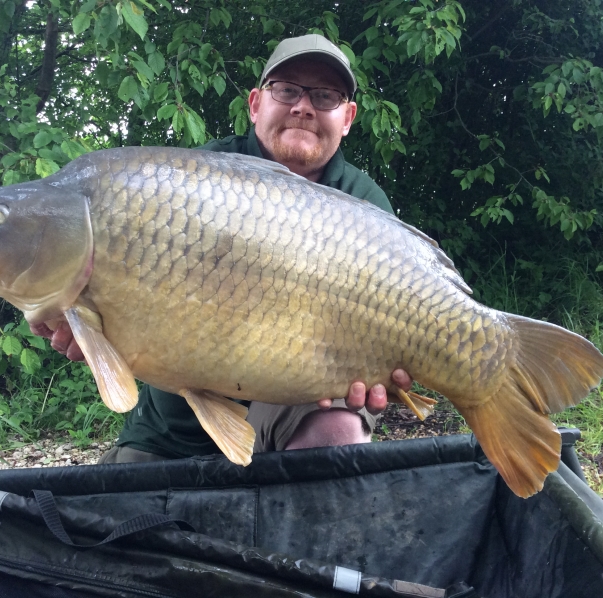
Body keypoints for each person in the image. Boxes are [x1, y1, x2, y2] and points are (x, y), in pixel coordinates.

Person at [40, 34, 413, 463]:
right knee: (125, 514)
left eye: (325, 96)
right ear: (256, 104)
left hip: (298, 407)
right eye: (287, 89)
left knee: (340, 425)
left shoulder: (364, 204)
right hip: (176, 424)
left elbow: (390, 344)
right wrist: (89, 327)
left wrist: (384, 370)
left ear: (347, 118)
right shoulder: (195, 179)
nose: (303, 106)